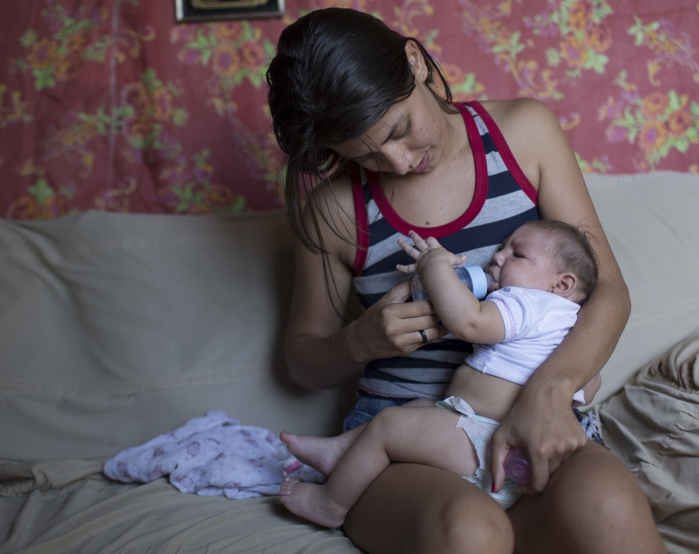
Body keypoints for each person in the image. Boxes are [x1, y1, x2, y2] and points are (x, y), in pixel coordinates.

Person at [266, 7, 666, 554]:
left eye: (400, 130)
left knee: (610, 507)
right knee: (470, 532)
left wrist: (547, 394)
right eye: (362, 156)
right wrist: (359, 340)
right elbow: (302, 361)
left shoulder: (524, 134)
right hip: (403, 447)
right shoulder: (333, 210)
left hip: (535, 416)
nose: (398, 162)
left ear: (416, 63)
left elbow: (608, 292)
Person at [279, 220, 601, 528]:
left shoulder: (527, 302)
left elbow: (469, 322)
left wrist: (435, 266)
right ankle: (341, 452)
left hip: (485, 439)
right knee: (419, 405)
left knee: (389, 426)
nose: (498, 257)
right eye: (502, 248)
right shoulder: (571, 326)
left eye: (517, 254)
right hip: (492, 433)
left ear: (562, 284)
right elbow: (589, 384)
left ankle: (330, 504)